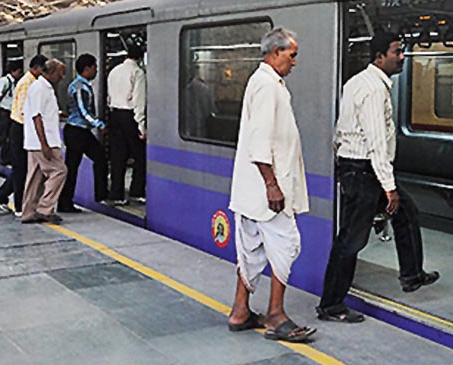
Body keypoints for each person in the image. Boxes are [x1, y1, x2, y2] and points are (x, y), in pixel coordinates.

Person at [317, 32, 439, 324]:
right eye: (397, 52)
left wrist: (342, 161)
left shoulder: (357, 82)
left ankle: (412, 275)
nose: (402, 57)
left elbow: (339, 130)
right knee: (351, 240)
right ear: (379, 56)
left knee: (406, 213)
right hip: (364, 171)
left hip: (356, 167)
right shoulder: (373, 90)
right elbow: (376, 143)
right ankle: (331, 305)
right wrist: (389, 187)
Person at [227, 27, 315, 343]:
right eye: (292, 56)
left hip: (254, 191)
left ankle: (240, 312)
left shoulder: (266, 82)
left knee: (250, 249)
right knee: (286, 245)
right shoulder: (266, 85)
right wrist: (272, 185)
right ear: (275, 52)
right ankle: (276, 314)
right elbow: (260, 139)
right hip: (267, 192)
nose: (295, 63)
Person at [0, 55, 47, 215]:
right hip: (20, 128)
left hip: (22, 127)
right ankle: (20, 207)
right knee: (21, 168)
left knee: (22, 168)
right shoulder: (27, 84)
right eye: (44, 69)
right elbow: (24, 111)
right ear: (36, 68)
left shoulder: (30, 82)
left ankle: (0, 196)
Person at [58, 53, 108, 213]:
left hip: (78, 131)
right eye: (94, 67)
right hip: (77, 132)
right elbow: (83, 110)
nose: (96, 70)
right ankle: (67, 201)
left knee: (79, 164)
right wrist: (99, 124)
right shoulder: (79, 87)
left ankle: (67, 201)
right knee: (76, 166)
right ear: (87, 68)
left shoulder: (80, 85)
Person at [21, 58, 67, 225]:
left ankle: (28, 213)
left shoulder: (42, 87)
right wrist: (44, 144)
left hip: (35, 141)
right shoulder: (40, 88)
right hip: (43, 141)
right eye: (61, 72)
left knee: (34, 178)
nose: (62, 76)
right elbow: (36, 117)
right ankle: (44, 208)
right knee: (60, 171)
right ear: (52, 72)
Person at [107, 36, 147, 205]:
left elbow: (109, 96)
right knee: (139, 155)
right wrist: (141, 125)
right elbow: (139, 100)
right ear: (139, 58)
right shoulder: (138, 72)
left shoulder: (114, 71)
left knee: (117, 156)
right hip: (129, 116)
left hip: (114, 115)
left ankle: (117, 193)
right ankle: (136, 191)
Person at [185, 67, 217, 138]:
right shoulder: (204, 89)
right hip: (200, 132)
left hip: (193, 132)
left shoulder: (180, 90)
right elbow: (211, 111)